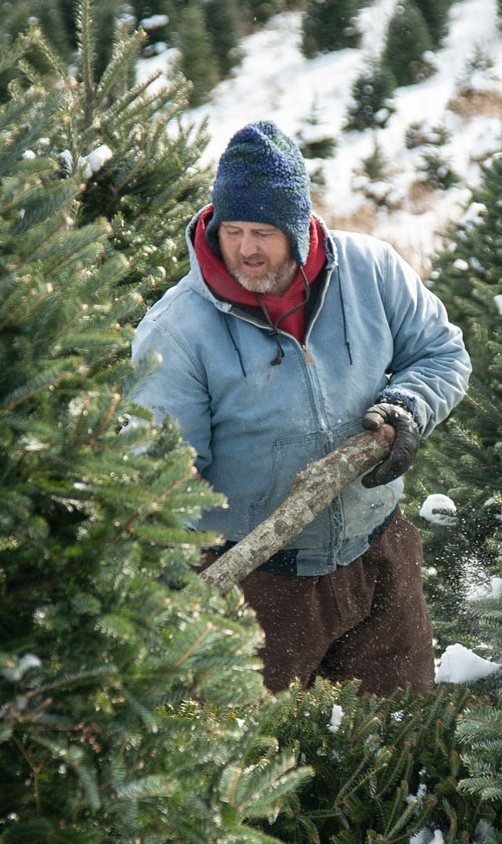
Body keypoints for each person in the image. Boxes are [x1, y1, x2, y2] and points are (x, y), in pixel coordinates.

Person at [132, 120, 471, 694]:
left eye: (262, 232)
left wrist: (405, 407)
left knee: (400, 736)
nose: (245, 248)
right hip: (254, 584)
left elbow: (441, 353)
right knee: (263, 766)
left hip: (377, 555)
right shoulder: (179, 329)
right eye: (232, 229)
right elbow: (160, 475)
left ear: (298, 227)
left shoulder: (372, 271)